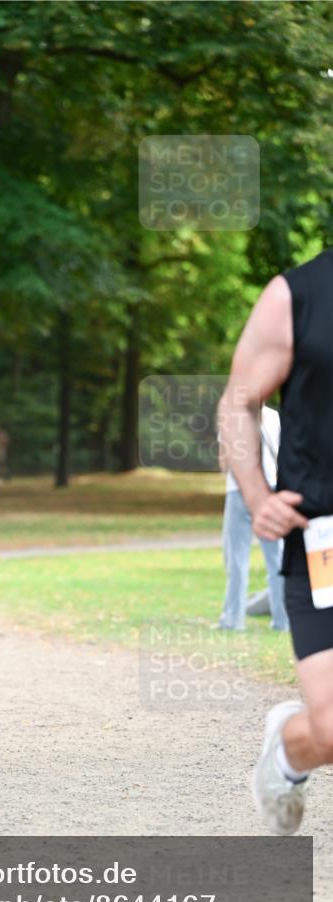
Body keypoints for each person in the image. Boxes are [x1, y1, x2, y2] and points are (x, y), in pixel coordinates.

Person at [218, 247, 333, 835]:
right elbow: (238, 402)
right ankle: (289, 752)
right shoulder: (298, 295)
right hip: (321, 544)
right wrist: (259, 497)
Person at [216, 404, 289, 632]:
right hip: (270, 490)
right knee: (276, 559)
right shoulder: (273, 417)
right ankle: (282, 620)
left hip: (239, 491)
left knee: (237, 559)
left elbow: (224, 462)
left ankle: (233, 619)